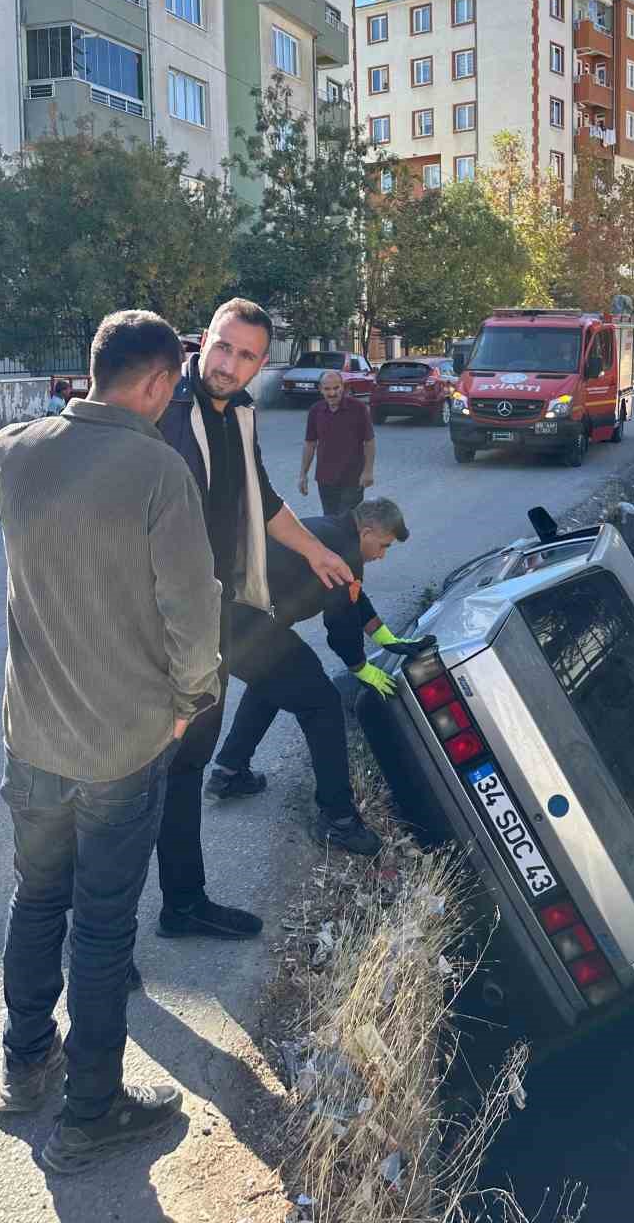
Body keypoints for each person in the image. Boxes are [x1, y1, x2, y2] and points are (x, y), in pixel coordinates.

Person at [0, 310, 222, 1172]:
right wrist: (192, 699)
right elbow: (191, 612)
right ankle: (91, 1112)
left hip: (32, 736)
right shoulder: (159, 470)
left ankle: (25, 1066)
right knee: (102, 927)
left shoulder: (11, 451)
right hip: (122, 743)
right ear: (160, 383)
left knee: (36, 899)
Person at [155, 297, 358, 937]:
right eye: (222, 346)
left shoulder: (240, 411)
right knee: (175, 767)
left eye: (245, 355)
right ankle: (178, 905)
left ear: (261, 363)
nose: (228, 363)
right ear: (202, 341)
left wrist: (319, 550)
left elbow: (262, 498)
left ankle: (338, 815)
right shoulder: (164, 414)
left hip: (231, 606)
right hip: (179, 623)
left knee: (316, 696)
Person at [206, 498, 429, 856]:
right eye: (384, 546)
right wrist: (360, 667)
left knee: (280, 682)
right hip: (239, 623)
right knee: (322, 702)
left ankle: (229, 773)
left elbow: (353, 592)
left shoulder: (331, 532)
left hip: (227, 619)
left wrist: (386, 637)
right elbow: (340, 623)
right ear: (368, 532)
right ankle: (338, 819)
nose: (382, 555)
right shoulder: (341, 548)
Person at [299, 370, 375, 517]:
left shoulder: (358, 408)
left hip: (353, 478)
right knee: (330, 520)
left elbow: (369, 442)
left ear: (343, 387)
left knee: (348, 521)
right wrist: (303, 474)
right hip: (325, 478)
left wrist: (368, 471)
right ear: (320, 389)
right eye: (327, 389)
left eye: (336, 388)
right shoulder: (316, 411)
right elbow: (310, 444)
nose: (332, 393)